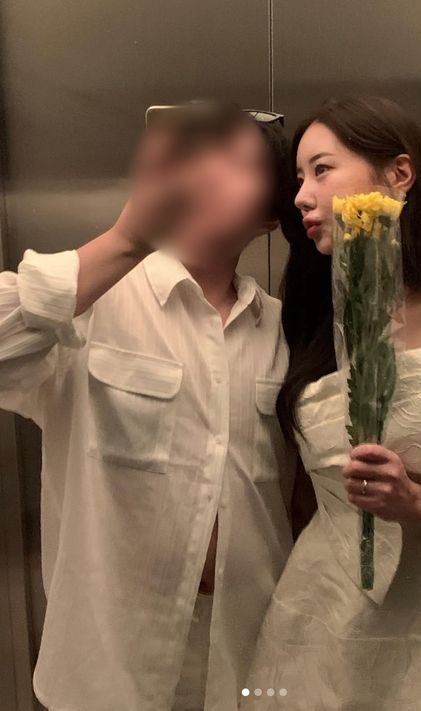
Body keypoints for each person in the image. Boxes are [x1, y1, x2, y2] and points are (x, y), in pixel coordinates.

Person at [0, 100, 297, 711]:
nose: (209, 172)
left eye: (239, 163)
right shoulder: (90, 304)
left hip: (250, 654)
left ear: (270, 216)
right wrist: (126, 241)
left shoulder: (283, 331)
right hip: (110, 662)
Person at [241, 95, 421, 710]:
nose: (301, 196)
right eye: (298, 178)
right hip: (316, 635)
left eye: (322, 169)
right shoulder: (314, 333)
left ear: (399, 174)